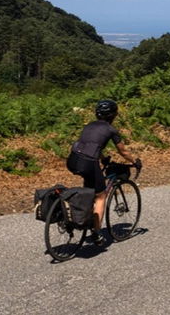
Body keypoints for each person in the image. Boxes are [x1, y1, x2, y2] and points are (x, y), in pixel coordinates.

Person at [66, 99, 141, 246]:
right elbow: (122, 151)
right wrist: (134, 162)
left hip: (73, 159)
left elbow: (91, 145)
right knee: (101, 196)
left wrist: (103, 158)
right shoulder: (111, 130)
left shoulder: (89, 126)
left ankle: (81, 215)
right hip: (88, 162)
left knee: (89, 191)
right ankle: (96, 232)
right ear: (113, 115)